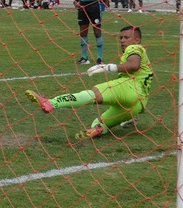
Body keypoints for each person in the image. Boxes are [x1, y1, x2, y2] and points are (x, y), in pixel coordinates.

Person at [25, 25, 155, 140]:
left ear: (137, 40)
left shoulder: (135, 48)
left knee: (92, 94)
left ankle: (50, 103)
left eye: (126, 37)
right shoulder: (143, 55)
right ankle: (98, 130)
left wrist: (107, 67)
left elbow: (134, 65)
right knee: (100, 122)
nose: (122, 41)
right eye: (121, 38)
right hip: (138, 105)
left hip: (128, 88)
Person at [73, 0, 108, 65]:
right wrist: (76, 0)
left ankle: (100, 58)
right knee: (83, 31)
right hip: (83, 5)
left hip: (94, 5)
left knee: (97, 31)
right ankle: (84, 57)